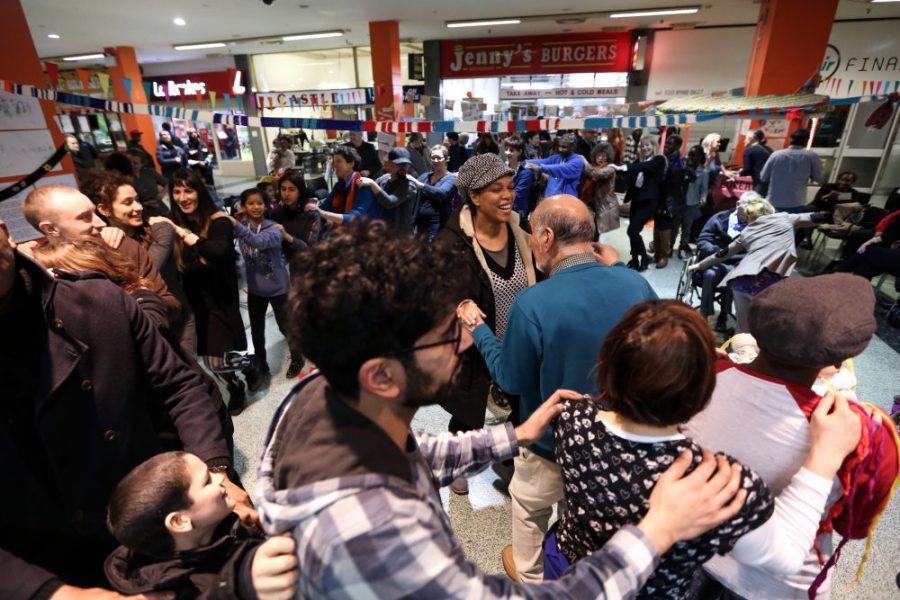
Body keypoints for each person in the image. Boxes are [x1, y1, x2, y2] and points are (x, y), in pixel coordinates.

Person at [254, 221, 753, 598]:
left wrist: (514, 433)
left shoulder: (322, 391)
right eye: (447, 336)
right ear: (381, 376)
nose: (464, 342)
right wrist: (658, 530)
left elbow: (410, 451)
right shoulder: (377, 529)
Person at [0, 217, 250, 597]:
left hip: (154, 520)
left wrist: (216, 471)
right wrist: (50, 592)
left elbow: (179, 386)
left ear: (4, 229)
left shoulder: (97, 301)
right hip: (45, 563)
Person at [547, 300, 862, 599]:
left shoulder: (571, 415)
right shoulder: (713, 482)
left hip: (566, 566)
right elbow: (787, 557)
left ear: (605, 363)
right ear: (702, 395)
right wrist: (824, 457)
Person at [463, 195, 658, 582]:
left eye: (532, 234)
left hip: (551, 442)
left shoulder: (533, 303)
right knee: (579, 515)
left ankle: (531, 580)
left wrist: (479, 330)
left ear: (547, 237)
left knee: (530, 510)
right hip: (617, 439)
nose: (530, 242)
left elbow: (511, 379)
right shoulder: (636, 284)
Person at [684, 274, 900, 600]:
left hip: (689, 548)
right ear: (840, 361)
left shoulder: (701, 376)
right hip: (777, 587)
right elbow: (853, 525)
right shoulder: (863, 431)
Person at [435, 153, 538, 494]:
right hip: (473, 344)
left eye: (509, 187)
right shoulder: (452, 242)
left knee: (523, 405)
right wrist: (459, 304)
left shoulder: (521, 232)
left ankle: (506, 460)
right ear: (475, 197)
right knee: (467, 412)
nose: (507, 195)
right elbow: (435, 289)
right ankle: (457, 463)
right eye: (496, 189)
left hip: (518, 341)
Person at [105, 451, 297, 598]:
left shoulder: (213, 523)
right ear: (180, 521)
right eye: (207, 480)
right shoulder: (187, 591)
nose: (220, 477)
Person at [154, 169, 255, 414]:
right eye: (176, 191)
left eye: (188, 190)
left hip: (221, 298)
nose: (182, 197)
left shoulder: (218, 220)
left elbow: (217, 253)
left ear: (199, 191)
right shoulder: (171, 219)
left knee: (224, 353)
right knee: (214, 357)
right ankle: (236, 383)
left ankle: (244, 375)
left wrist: (180, 232)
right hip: (194, 303)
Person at [22, 183, 180, 321]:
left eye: (94, 213)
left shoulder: (122, 247)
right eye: (84, 217)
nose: (100, 223)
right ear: (50, 229)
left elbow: (172, 305)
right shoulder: (38, 267)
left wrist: (143, 301)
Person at [689, 196, 824, 332]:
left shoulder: (747, 231)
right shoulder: (785, 217)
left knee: (743, 328)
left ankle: (738, 348)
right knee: (764, 328)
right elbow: (814, 217)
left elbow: (723, 253)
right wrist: (835, 214)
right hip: (768, 282)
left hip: (740, 282)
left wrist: (700, 265)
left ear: (750, 216)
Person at [230, 188, 302, 384]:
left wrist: (236, 224)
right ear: (244, 206)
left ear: (266, 205)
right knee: (256, 330)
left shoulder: (274, 229)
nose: (256, 207)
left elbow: (258, 242)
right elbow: (240, 255)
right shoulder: (243, 227)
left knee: (285, 326)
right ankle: (261, 363)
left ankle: (297, 358)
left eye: (259, 203)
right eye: (251, 203)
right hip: (255, 290)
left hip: (279, 288)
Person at [692, 192, 751, 333]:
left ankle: (723, 317)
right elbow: (702, 240)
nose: (748, 215)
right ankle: (704, 315)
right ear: (738, 205)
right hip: (714, 259)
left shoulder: (754, 224)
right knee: (710, 274)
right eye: (746, 210)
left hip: (737, 263)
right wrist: (714, 250)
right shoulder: (719, 218)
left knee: (733, 275)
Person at [613, 135, 667, 271]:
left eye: (647, 145)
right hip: (637, 199)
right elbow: (634, 171)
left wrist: (624, 167)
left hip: (649, 201)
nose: (645, 148)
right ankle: (635, 259)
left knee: (632, 231)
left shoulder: (659, 160)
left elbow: (644, 167)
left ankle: (645, 257)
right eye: (642, 146)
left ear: (653, 145)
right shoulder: (640, 160)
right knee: (633, 231)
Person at [835, 208, 900, 294]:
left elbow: (891, 234)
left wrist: (870, 242)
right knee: (864, 267)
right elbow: (889, 222)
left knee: (865, 251)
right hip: (891, 248)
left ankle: (837, 274)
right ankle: (853, 293)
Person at [310, 146, 380, 226]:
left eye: (339, 161)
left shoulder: (363, 186)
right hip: (347, 233)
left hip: (365, 234)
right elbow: (324, 207)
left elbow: (354, 218)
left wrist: (322, 213)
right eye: (334, 162)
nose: (334, 165)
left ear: (351, 164)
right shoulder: (339, 186)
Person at [798, 171, 868, 249]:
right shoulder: (828, 187)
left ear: (852, 182)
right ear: (838, 179)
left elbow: (848, 209)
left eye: (847, 181)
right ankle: (807, 239)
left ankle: (806, 240)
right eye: (842, 179)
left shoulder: (853, 193)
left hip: (834, 217)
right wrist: (827, 196)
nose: (844, 182)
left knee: (807, 218)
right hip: (817, 211)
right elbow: (816, 201)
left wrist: (829, 211)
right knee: (810, 211)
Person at [759, 128, 824, 212]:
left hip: (774, 201)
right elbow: (818, 178)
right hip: (796, 202)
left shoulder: (776, 155)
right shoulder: (811, 156)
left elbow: (763, 177)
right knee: (790, 224)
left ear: (790, 139)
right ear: (806, 140)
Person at [359, 147, 419, 234]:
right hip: (383, 236)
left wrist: (372, 183)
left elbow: (390, 202)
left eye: (406, 165)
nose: (403, 168)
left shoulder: (409, 185)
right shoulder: (382, 181)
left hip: (402, 239)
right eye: (399, 164)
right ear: (390, 164)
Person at [409, 144, 458, 242]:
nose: (435, 161)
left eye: (438, 158)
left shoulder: (451, 178)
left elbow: (441, 193)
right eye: (433, 158)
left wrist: (421, 185)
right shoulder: (424, 177)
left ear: (447, 159)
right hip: (420, 225)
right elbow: (411, 189)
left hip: (437, 226)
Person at [524, 134, 584, 198]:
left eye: (564, 147)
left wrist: (540, 168)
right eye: (559, 146)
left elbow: (561, 169)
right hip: (550, 199)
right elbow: (543, 161)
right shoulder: (556, 158)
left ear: (573, 147)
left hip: (566, 201)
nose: (560, 149)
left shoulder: (577, 161)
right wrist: (524, 162)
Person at [675, 144, 709, 258]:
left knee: (686, 228)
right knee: (674, 226)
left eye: (693, 155)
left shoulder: (704, 172)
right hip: (679, 202)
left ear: (700, 157)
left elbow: (704, 189)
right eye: (689, 154)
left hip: (692, 203)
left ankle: (682, 247)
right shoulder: (683, 166)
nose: (690, 157)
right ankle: (669, 247)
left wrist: (703, 198)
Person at [580, 142, 620, 239]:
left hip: (602, 204)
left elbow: (596, 173)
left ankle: (594, 250)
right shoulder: (593, 166)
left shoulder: (610, 168)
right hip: (590, 201)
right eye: (599, 155)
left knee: (595, 231)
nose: (601, 158)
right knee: (587, 228)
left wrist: (584, 161)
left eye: (604, 156)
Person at [126, 148, 170, 218]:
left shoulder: (150, 173)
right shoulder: (124, 178)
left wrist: (161, 195)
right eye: (129, 162)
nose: (132, 165)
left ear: (142, 164)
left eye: (135, 163)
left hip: (160, 209)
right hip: (140, 214)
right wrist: (145, 204)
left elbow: (168, 183)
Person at [504, 137, 537, 220]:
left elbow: (518, 195)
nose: (507, 152)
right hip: (504, 209)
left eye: (511, 150)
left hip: (519, 212)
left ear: (519, 152)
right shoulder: (504, 168)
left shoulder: (526, 172)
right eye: (506, 149)